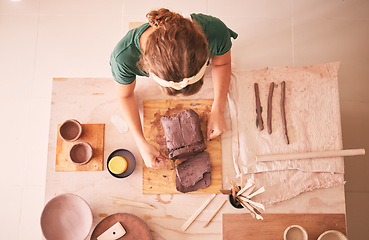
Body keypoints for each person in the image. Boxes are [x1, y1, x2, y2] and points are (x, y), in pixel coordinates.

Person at [110, 8, 238, 169]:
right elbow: (124, 96)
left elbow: (222, 63)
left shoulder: (215, 31)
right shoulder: (123, 58)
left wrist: (219, 108)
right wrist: (140, 141)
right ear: (147, 66)